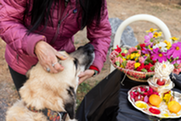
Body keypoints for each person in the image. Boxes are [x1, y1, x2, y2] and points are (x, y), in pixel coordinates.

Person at [0, 0, 111, 92]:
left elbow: (101, 34)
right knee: (31, 107)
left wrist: (94, 64)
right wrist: (35, 45)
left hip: (61, 68)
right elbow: (6, 20)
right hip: (23, 62)